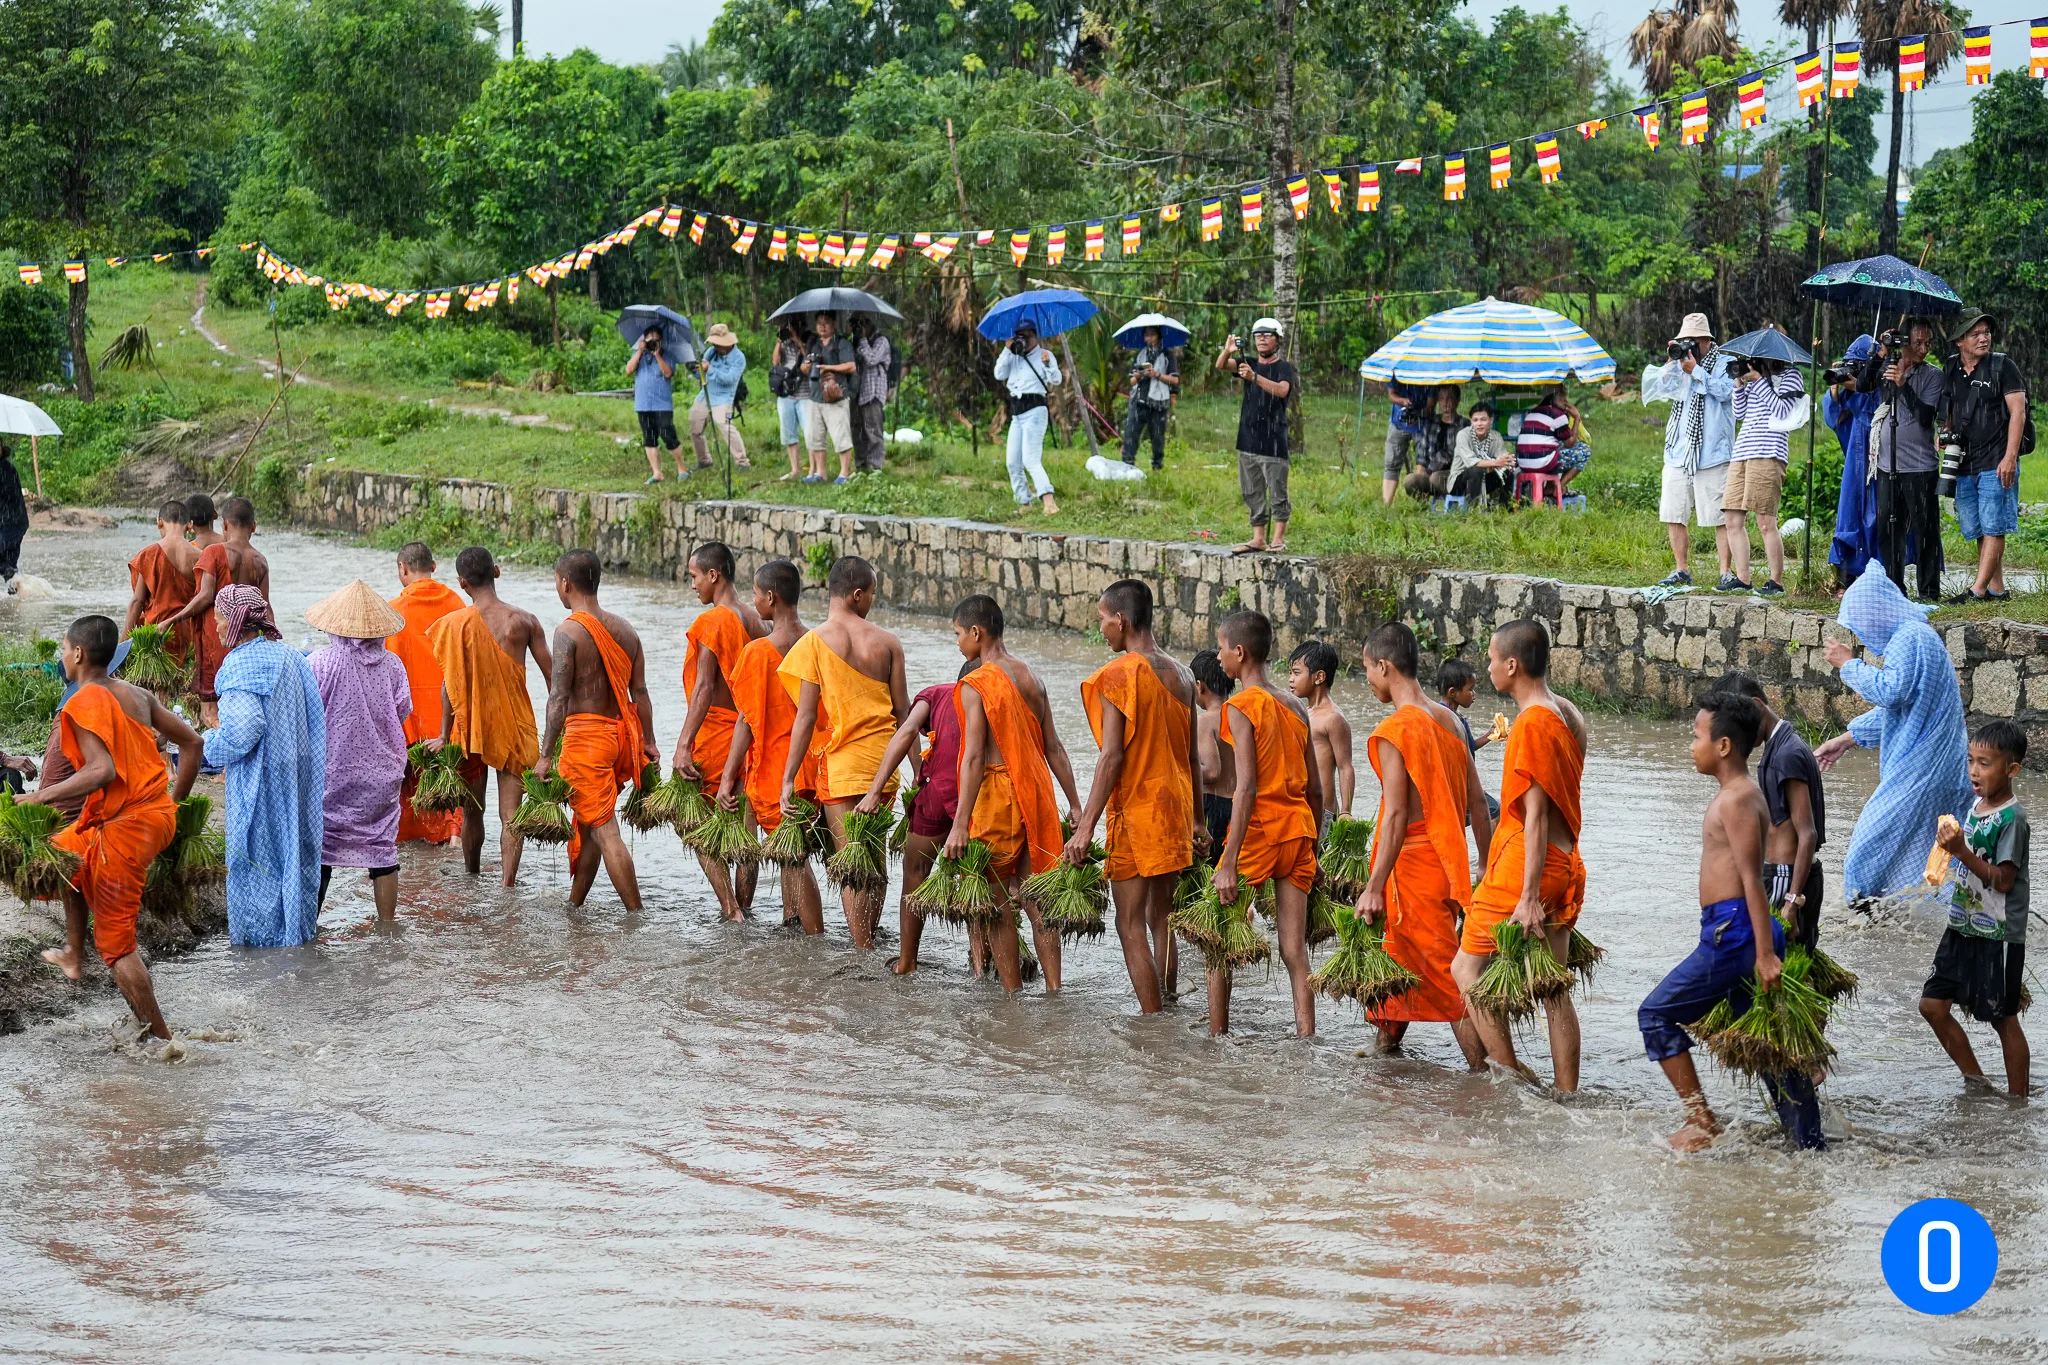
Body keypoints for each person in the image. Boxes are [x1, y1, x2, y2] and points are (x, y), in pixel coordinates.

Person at [1639, 691, 1825, 1152]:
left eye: (1696, 735)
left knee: (1655, 1014)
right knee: (1766, 1048)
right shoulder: (1737, 795)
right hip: (1734, 930)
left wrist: (1765, 953)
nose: (1691, 744)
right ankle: (1809, 1145)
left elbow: (1752, 882)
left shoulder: (1738, 800)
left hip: (1735, 933)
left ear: (1723, 746)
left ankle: (1701, 1121)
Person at [33, 615, 201, 1042]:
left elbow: (101, 771)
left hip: (126, 829)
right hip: (149, 817)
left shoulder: (83, 701)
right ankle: (73, 952)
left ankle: (163, 1041)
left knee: (116, 943)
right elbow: (194, 743)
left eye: (62, 648)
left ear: (78, 654)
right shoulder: (139, 695)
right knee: (63, 854)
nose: (61, 656)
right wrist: (173, 806)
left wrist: (37, 798)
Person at [1451, 619, 1586, 1091]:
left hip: (1525, 868)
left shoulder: (1530, 725)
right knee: (1552, 986)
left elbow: (1534, 817)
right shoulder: (1565, 714)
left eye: (1491, 659)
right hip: (1565, 864)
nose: (1487, 667)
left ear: (1511, 665)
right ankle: (1567, 1093)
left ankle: (1515, 1081)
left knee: (1464, 969)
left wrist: (1527, 896)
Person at [1355, 622, 1492, 1066]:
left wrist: (1374, 885)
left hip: (1412, 868)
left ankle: (1488, 1073)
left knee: (1450, 976)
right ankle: (1386, 1048)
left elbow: (1395, 814)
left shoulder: (1397, 728)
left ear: (1384, 666)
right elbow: (1476, 802)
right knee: (1396, 958)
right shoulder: (1451, 720)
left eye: (1369, 671)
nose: (1369, 681)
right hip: (1445, 866)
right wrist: (1485, 866)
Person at [1066, 580, 1199, 1013]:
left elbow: (1111, 758)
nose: (1101, 629)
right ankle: (1169, 1006)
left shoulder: (1120, 674)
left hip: (1140, 811)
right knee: (1161, 919)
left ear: (1121, 620)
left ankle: (1152, 1018)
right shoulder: (1184, 674)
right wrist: (1197, 820)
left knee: (1128, 924)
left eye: (1102, 620)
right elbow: (1193, 757)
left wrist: (1085, 826)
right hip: (1176, 808)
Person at [1814, 563, 1972, 904]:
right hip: (1938, 765)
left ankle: (1862, 911)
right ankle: (1910, 918)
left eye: (1862, 623)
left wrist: (1848, 664)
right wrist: (1845, 740)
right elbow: (1899, 708)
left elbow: (1890, 692)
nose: (1863, 632)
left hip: (1923, 766)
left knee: (1868, 846)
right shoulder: (1915, 634)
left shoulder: (1908, 637)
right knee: (1927, 847)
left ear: (1877, 613)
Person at [947, 594, 1080, 993]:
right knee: (1038, 899)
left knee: (996, 904)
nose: (957, 643)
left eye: (957, 634)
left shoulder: (977, 684)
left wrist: (958, 825)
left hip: (997, 798)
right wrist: (1075, 804)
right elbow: (1054, 747)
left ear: (976, 632)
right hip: (1036, 793)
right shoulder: (1031, 677)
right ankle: (1055, 991)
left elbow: (973, 759)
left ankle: (1011, 996)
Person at [780, 555, 908, 948]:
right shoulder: (888, 643)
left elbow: (804, 720)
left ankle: (861, 947)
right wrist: (922, 772)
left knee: (850, 862)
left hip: (841, 767)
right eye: (871, 594)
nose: (872, 601)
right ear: (856, 594)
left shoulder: (814, 643)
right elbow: (905, 715)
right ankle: (869, 936)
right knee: (876, 861)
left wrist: (787, 779)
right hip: (883, 765)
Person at [1211, 609, 1323, 1036]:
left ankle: (1217, 1038)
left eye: (1222, 649)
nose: (1220, 658)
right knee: (1295, 950)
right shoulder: (1295, 704)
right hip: (1298, 831)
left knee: (1219, 935)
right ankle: (1305, 1037)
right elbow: (1315, 790)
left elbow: (1246, 789)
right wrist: (1315, 848)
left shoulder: (1241, 705)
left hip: (1259, 835)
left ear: (1240, 652)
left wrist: (1228, 863)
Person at [202, 584, 325, 948]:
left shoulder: (240, 663)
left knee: (256, 864)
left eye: (220, 619)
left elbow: (243, 732)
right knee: (292, 859)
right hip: (296, 779)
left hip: (262, 783)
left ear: (237, 621)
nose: (217, 627)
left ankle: (261, 956)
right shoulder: (290, 657)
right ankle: (297, 946)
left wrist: (203, 745)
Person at [536, 550, 656, 911]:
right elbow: (641, 693)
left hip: (587, 741)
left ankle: (636, 915)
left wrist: (545, 756)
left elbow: (558, 700)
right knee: (590, 827)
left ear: (565, 583)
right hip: (621, 738)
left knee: (606, 831)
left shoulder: (567, 632)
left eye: (557, 582)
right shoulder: (626, 630)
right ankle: (574, 906)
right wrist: (648, 742)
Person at [427, 547, 549, 886]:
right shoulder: (523, 621)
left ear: (462, 583)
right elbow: (555, 681)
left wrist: (442, 733)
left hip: (471, 731)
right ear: (496, 571)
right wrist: (558, 739)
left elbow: (448, 685)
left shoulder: (453, 625)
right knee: (511, 816)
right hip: (515, 728)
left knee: (471, 811)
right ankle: (508, 886)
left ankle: (471, 877)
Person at [1922, 719, 2031, 1097]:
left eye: (1985, 763)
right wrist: (1948, 849)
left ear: (2011, 769)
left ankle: (2017, 1104)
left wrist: (1961, 852)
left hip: (1998, 932)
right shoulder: (1977, 806)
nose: (1973, 770)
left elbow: (2002, 880)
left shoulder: (2012, 820)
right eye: (1971, 760)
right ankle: (1977, 1082)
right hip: (1962, 924)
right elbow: (1969, 856)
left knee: (2003, 1019)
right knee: (1932, 1006)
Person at [720, 558, 826, 935]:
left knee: (791, 858)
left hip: (773, 768)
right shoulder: (819, 643)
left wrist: (727, 776)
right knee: (790, 853)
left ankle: (810, 937)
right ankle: (791, 922)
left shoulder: (757, 652)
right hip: (813, 768)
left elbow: (746, 720)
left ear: (771, 597)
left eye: (755, 595)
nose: (754, 602)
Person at [856, 659, 982, 974]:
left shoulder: (938, 694)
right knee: (978, 881)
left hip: (937, 795)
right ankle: (981, 965)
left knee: (915, 870)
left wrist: (875, 791)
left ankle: (907, 961)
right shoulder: (997, 700)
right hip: (981, 800)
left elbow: (907, 730)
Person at [306, 580, 410, 925]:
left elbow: (307, 716)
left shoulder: (320, 663)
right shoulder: (393, 665)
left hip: (333, 772)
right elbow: (402, 711)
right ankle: (387, 930)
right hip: (383, 774)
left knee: (322, 849)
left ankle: (309, 928)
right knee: (381, 850)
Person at [675, 541, 767, 921]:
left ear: (714, 575)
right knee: (745, 831)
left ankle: (731, 909)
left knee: (690, 823)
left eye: (695, 577)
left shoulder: (714, 621)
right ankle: (745, 909)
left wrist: (682, 744)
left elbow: (704, 688)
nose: (693, 585)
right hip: (752, 734)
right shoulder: (756, 619)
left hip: (716, 733)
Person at [1715, 673, 1826, 950]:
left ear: (1757, 706)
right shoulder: (1783, 748)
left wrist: (1791, 900)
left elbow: (1807, 834)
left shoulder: (1785, 755)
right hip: (1785, 877)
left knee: (1768, 962)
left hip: (1785, 879)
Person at [1939, 309, 2031, 603]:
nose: (1983, 338)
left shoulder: (2002, 366)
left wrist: (2010, 458)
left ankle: (1977, 591)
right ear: (1959, 341)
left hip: (1996, 459)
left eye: (1986, 332)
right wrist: (1946, 432)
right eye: (1975, 333)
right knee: (1979, 527)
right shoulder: (1951, 368)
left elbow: (2018, 412)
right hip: (1965, 462)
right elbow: (1952, 411)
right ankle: (1997, 589)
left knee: (1994, 526)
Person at [1643, 313, 1736, 589]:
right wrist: (1672, 362)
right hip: (1679, 450)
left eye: (1694, 341)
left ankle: (1726, 572)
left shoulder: (1725, 362)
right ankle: (1681, 569)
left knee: (1720, 516)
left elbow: (1726, 392)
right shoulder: (1681, 362)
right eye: (1685, 341)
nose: (1690, 346)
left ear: (1707, 340)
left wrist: (1696, 371)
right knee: (1674, 511)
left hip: (1712, 452)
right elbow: (1660, 389)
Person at [386, 542, 466, 846]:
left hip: (408, 719)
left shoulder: (394, 612)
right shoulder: (457, 603)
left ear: (402, 569)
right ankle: (454, 835)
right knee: (449, 780)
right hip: (450, 716)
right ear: (433, 567)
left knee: (408, 790)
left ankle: (410, 842)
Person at [1861, 319, 1945, 602]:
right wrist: (1881, 353)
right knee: (1889, 529)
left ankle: (1930, 592)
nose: (1924, 348)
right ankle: (1894, 589)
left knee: (1925, 531)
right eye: (1918, 342)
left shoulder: (1933, 375)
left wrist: (1903, 385)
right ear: (1904, 342)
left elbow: (1925, 418)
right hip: (1888, 466)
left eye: (1928, 342)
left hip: (1921, 467)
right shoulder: (1888, 366)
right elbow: (1862, 384)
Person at [1723, 357, 1806, 595]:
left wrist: (1759, 381)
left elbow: (1782, 412)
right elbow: (1739, 412)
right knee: (1732, 518)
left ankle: (1776, 582)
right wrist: (1739, 383)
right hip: (1742, 452)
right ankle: (1743, 578)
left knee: (1765, 521)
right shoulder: (1755, 378)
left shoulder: (1791, 376)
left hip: (1769, 452)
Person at [1216, 319, 1297, 554]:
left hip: (1273, 441)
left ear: (1277, 339)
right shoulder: (1247, 362)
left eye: (1267, 334)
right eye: (1258, 335)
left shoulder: (1283, 367)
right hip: (1248, 438)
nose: (1262, 338)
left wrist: (1254, 377)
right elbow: (1221, 366)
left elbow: (1282, 390)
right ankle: (1258, 538)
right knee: (1251, 490)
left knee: (1277, 491)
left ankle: (1278, 539)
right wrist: (1227, 350)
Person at [161, 491, 237, 727]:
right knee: (230, 694)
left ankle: (214, 738)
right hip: (233, 628)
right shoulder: (229, 547)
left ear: (190, 524)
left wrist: (172, 619)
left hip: (202, 629)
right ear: (215, 515)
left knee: (207, 704)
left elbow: (198, 595)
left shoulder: (190, 550)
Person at [1824, 335, 1883, 589]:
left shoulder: (1879, 382)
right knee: (1850, 516)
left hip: (1878, 460)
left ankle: (1876, 575)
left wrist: (1860, 384)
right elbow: (1832, 418)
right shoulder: (1848, 390)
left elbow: (1875, 409)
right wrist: (1834, 393)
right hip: (1855, 464)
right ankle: (1846, 577)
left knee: (1875, 517)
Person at [993, 320, 1061, 516]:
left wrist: (1048, 364)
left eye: (1027, 336)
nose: (1024, 340)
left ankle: (1049, 501)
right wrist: (1007, 350)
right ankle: (1024, 502)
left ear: (1035, 336)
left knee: (1031, 459)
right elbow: (998, 374)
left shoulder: (1044, 355)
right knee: (1013, 462)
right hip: (1017, 412)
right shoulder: (1012, 356)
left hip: (1035, 410)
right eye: (1019, 336)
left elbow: (1056, 380)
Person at [124, 499, 199, 666]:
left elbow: (137, 601)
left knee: (155, 686)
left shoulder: (148, 555)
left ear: (159, 522)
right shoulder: (199, 556)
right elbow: (204, 599)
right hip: (188, 633)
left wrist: (123, 644)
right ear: (189, 525)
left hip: (155, 632)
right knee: (183, 681)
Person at [1286, 639, 1353, 824]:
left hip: (1323, 812)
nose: (1290, 679)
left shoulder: (1333, 718)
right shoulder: (1303, 713)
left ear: (1319, 677)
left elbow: (1345, 766)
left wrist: (1345, 811)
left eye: (1296, 673)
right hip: (1302, 807)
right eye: (1290, 673)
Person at [1436, 657, 1499, 821]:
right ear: (1453, 692)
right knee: (1493, 810)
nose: (1474, 694)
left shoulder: (1458, 718)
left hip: (1462, 784)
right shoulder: (1443, 719)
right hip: (1455, 786)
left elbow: (1469, 747)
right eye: (1470, 689)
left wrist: (1489, 736)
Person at [799, 311, 858, 485]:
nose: (822, 326)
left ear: (833, 324)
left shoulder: (842, 343)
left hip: (836, 397)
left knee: (841, 436)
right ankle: (820, 473)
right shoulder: (813, 344)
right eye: (819, 323)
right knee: (815, 437)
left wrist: (829, 367)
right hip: (815, 396)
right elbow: (803, 368)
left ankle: (844, 473)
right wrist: (808, 366)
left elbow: (851, 366)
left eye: (826, 322)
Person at [1191, 648, 1236, 860]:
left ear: (1199, 686)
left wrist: (1177, 770)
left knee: (1203, 877)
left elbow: (1211, 772)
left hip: (1212, 808)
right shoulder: (1241, 715)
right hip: (1237, 806)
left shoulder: (1206, 720)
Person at [688, 323, 750, 474]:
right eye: (714, 343)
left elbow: (729, 379)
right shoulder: (710, 352)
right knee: (694, 425)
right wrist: (695, 369)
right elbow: (701, 374)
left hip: (723, 398)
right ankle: (704, 460)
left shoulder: (739, 358)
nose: (716, 346)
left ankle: (743, 461)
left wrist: (710, 369)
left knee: (726, 426)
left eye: (718, 343)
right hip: (706, 393)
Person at [628, 323, 681, 484]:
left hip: (662, 404)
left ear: (661, 341)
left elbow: (668, 373)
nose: (653, 343)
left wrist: (657, 355)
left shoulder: (668, 355)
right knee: (649, 438)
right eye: (650, 340)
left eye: (656, 340)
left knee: (668, 435)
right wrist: (640, 351)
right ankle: (657, 472)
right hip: (643, 404)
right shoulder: (640, 355)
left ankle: (681, 468)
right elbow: (629, 370)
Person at [1121, 326, 1179, 471]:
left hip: (1158, 402)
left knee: (1157, 437)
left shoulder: (1167, 356)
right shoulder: (1140, 355)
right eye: (1146, 335)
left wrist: (1156, 375)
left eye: (1152, 335)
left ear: (1159, 337)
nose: (1149, 339)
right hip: (1139, 399)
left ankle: (1157, 466)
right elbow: (1131, 381)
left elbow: (1175, 380)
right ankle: (1127, 464)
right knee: (1131, 433)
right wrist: (1140, 375)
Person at [1515, 384, 1591, 494]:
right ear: (1553, 397)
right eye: (1562, 395)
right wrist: (1577, 418)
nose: (1565, 399)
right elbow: (1570, 443)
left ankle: (1550, 487)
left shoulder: (1532, 412)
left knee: (1555, 444)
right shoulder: (1558, 415)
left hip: (1524, 463)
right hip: (1542, 463)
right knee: (1584, 450)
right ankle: (1559, 487)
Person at [770, 322, 821, 483]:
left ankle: (813, 469)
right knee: (788, 433)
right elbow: (775, 362)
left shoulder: (810, 338)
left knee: (810, 434)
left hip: (805, 393)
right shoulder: (783, 342)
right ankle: (795, 469)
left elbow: (810, 361)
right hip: (786, 393)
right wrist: (780, 340)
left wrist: (799, 342)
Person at [1400, 384, 1467, 502]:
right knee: (1410, 480)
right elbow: (1422, 457)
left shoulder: (1465, 425)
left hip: (1455, 474)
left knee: (1436, 478)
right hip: (1431, 472)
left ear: (1457, 400)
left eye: (1449, 398)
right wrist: (1421, 477)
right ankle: (1422, 504)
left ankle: (1454, 502)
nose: (1445, 402)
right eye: (1441, 398)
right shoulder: (1431, 423)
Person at [1447, 401, 1515, 506]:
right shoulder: (1463, 435)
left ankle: (1504, 507)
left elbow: (1503, 459)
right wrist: (1496, 463)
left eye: (1483, 419)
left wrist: (1509, 461)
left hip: (1482, 480)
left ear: (1491, 420)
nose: (1479, 424)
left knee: (1508, 470)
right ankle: (1473, 509)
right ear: (1471, 422)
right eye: (1475, 420)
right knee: (1476, 470)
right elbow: (1472, 463)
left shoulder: (1495, 436)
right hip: (1460, 483)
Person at [852, 315, 893, 474]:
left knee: (874, 431)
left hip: (873, 391)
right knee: (857, 431)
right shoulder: (855, 342)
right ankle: (861, 467)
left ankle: (876, 467)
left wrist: (862, 340)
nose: (861, 327)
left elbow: (871, 359)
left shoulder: (881, 341)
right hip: (858, 391)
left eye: (863, 324)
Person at [1381, 380, 1428, 505]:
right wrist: (1403, 402)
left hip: (1423, 424)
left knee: (1423, 463)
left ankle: (1421, 502)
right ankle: (1386, 505)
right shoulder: (1398, 367)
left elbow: (1431, 403)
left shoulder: (1429, 369)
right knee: (1391, 463)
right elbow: (1391, 394)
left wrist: (1418, 414)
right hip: (1398, 422)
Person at [221, 497, 271, 599]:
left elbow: (205, 596)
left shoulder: (215, 553)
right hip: (250, 615)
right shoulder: (260, 561)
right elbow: (265, 605)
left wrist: (180, 615)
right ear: (254, 527)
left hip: (218, 615)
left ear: (225, 524)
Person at [0, 442, 28, 588]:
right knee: (8, 564)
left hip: (12, 523)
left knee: (6, 564)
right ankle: (18, 594)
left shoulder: (6, 469)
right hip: (11, 522)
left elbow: (8, 494)